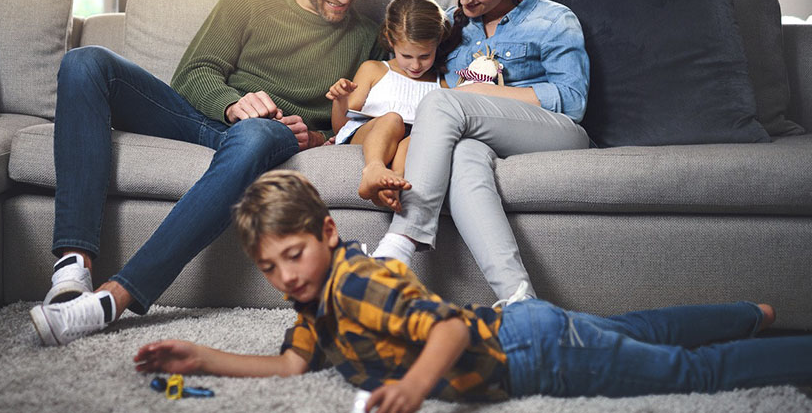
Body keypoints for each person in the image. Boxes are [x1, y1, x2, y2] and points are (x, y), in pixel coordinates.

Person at [135, 170, 810, 413]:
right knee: (634, 332)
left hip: (533, 358)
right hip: (527, 328)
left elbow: (448, 332)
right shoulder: (310, 300)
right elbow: (290, 364)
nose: (286, 276)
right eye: (271, 268)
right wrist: (202, 357)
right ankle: (748, 313)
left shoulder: (362, 283)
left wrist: (416, 387)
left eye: (294, 255)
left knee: (689, 375)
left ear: (328, 232)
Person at [30, 0, 385, 346]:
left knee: (257, 134)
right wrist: (233, 104)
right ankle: (72, 269)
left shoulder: (368, 36)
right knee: (86, 62)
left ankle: (113, 299)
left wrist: (316, 137)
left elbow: (367, 119)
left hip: (268, 136)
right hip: (203, 117)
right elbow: (194, 73)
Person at [369, 0, 591, 302]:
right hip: (475, 135)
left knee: (443, 102)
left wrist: (482, 93)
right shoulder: (454, 24)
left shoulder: (553, 20)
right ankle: (522, 303)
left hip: (555, 131)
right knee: (465, 154)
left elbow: (572, 100)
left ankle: (402, 241)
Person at [325, 0, 449, 206]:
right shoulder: (374, 70)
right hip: (371, 132)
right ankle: (374, 169)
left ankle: (394, 182)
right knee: (393, 119)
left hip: (413, 139)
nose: (416, 66)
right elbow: (341, 127)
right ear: (391, 41)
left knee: (419, 136)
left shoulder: (442, 84)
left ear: (437, 43)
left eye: (425, 56)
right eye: (407, 56)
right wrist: (340, 100)